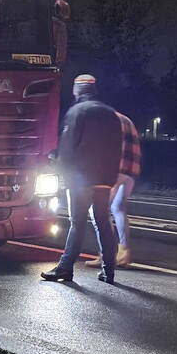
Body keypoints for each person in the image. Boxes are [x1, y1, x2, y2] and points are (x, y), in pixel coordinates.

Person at [41, 74, 122, 284]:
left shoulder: (77, 112)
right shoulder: (110, 114)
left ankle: (65, 268)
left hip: (80, 179)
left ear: (77, 90)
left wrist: (59, 168)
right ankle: (109, 271)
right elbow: (117, 148)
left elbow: (68, 148)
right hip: (104, 178)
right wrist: (111, 177)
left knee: (77, 223)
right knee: (103, 222)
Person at [85, 110, 140, 268]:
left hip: (115, 169)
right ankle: (124, 252)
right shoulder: (127, 119)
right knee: (118, 208)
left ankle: (106, 253)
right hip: (131, 170)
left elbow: (104, 147)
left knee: (97, 210)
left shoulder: (106, 120)